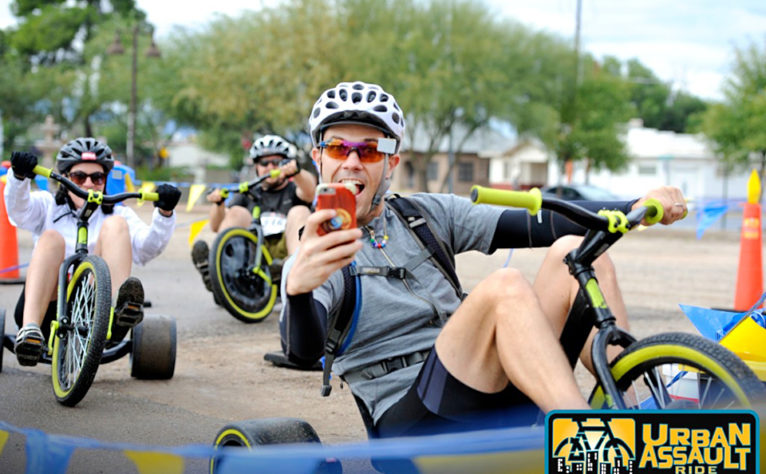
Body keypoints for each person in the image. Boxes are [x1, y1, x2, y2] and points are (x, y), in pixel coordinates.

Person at [279, 81, 688, 437]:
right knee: (503, 288)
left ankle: (637, 411)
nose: (352, 162)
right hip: (411, 422)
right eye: (338, 148)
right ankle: (586, 436)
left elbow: (538, 222)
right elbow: (302, 352)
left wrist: (636, 205)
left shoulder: (423, 215)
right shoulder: (317, 249)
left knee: (575, 252)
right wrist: (298, 291)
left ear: (391, 163)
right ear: (319, 158)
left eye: (369, 150)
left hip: (488, 382)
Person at [5, 138, 181, 366]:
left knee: (116, 225)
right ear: (65, 177)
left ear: (105, 181)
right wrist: (19, 178)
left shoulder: (119, 214)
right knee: (51, 238)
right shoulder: (48, 205)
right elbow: (18, 211)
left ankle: (118, 311)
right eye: (79, 177)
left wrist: (165, 214)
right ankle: (30, 331)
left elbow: (148, 249)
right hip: (47, 308)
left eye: (97, 178)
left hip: (95, 314)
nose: (88, 184)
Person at [191, 134, 316, 292]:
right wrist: (218, 204)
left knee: (300, 211)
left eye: (276, 162)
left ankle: (292, 270)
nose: (270, 167)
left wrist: (297, 172)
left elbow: (310, 191)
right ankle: (217, 270)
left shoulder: (295, 189)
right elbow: (216, 227)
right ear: (256, 166)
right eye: (264, 163)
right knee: (237, 212)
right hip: (255, 253)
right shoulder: (249, 192)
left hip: (286, 254)